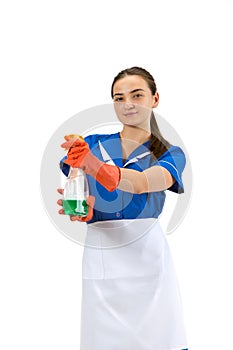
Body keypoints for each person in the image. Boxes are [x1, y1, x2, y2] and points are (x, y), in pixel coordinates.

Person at [57, 67, 188, 350]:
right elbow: (77, 189)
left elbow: (144, 183)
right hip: (102, 254)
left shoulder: (169, 153)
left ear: (154, 99)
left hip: (148, 260)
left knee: (159, 339)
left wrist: (95, 166)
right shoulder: (92, 145)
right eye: (119, 97)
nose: (127, 103)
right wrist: (83, 209)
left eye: (136, 95)